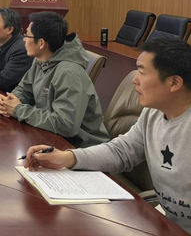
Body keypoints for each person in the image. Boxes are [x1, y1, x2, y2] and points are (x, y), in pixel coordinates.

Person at [23, 39, 191, 234]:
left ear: (174, 83)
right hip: (168, 226)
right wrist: (67, 157)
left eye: (142, 72)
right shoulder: (152, 114)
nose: (134, 80)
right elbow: (121, 151)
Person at [0, 11, 109, 148]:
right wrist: (8, 102)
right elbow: (25, 90)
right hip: (52, 138)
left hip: (81, 148)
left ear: (41, 43)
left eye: (27, 35)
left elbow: (66, 125)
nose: (23, 39)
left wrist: (19, 110)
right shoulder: (41, 60)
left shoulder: (69, 74)